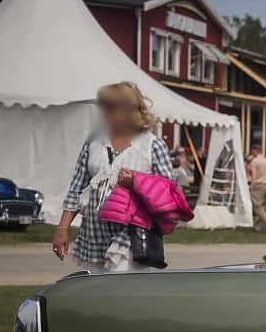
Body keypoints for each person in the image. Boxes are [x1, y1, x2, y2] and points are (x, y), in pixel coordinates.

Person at [51, 83, 178, 274]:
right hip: (93, 234)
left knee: (121, 288)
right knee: (98, 293)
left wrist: (135, 183)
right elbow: (77, 187)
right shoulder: (94, 141)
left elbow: (167, 194)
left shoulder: (152, 145)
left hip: (131, 234)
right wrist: (62, 228)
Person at [247, 147, 266, 229]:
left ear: (255, 151)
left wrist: (251, 186)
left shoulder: (255, 161)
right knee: (265, 206)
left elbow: (254, 175)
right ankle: (257, 226)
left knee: (257, 205)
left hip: (260, 184)